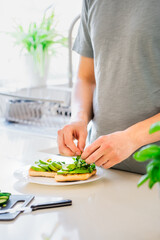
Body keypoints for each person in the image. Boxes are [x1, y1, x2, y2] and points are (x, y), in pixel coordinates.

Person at [57, 0, 160, 174]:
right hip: (102, 171)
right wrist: (79, 118)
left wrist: (131, 138)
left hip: (154, 176)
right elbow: (86, 78)